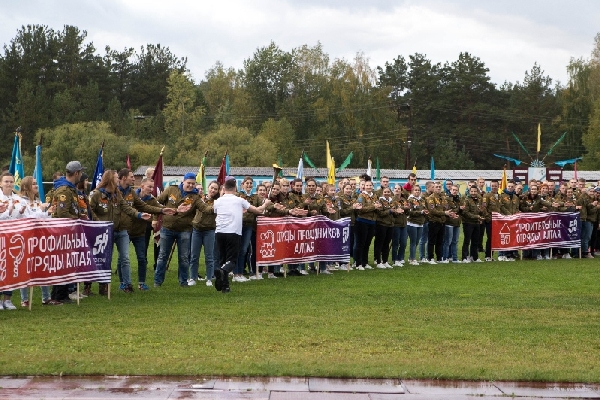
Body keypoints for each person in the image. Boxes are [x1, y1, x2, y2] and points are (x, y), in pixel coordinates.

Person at [89, 170, 158, 293]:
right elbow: (89, 210)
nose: (118, 180)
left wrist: (139, 215)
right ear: (110, 180)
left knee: (125, 258)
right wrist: (98, 222)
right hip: (104, 231)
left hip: (121, 231)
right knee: (105, 258)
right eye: (116, 178)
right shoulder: (96, 194)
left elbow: (126, 207)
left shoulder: (117, 194)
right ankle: (103, 285)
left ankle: (127, 285)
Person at [212, 177, 271, 293]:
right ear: (235, 188)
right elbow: (258, 210)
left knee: (223, 259)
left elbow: (215, 211)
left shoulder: (218, 201)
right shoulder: (239, 200)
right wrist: (265, 204)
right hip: (233, 232)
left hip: (219, 232)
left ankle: (225, 286)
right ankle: (223, 271)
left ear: (224, 188)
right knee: (232, 260)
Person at [115, 168, 171, 291]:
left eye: (152, 187)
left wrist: (163, 210)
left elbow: (145, 206)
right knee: (122, 258)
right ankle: (122, 283)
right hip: (124, 230)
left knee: (142, 258)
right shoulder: (115, 192)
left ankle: (141, 283)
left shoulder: (132, 193)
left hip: (139, 232)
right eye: (131, 176)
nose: (134, 178)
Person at [153, 173, 205, 288]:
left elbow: (204, 208)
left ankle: (183, 282)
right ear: (183, 182)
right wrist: (155, 218)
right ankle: (157, 281)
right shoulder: (171, 189)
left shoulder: (195, 197)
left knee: (184, 258)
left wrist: (217, 207)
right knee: (162, 256)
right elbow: (157, 203)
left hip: (185, 230)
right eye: (188, 183)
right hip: (167, 228)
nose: (191, 185)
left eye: (193, 184)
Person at [17, 176, 60, 306]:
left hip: (39, 238)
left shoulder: (37, 200)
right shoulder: (20, 201)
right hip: (26, 238)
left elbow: (40, 219)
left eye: (36, 183)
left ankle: (46, 298)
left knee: (42, 265)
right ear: (26, 186)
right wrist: (41, 210)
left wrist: (48, 213)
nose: (36, 186)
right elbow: (27, 220)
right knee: (25, 268)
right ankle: (24, 299)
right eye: (34, 184)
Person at [50, 161, 88, 303]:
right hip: (62, 231)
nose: (82, 175)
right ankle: (60, 295)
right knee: (63, 263)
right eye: (81, 172)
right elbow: (62, 213)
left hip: (68, 231)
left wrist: (79, 216)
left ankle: (59, 294)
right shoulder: (65, 190)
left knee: (65, 263)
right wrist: (78, 218)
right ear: (76, 173)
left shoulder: (70, 189)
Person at [0, 172, 27, 310]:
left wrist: (21, 212)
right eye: (6, 181)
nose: (9, 184)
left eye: (11, 181)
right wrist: (7, 212)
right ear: (1, 183)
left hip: (12, 237)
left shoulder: (18, 199)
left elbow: (22, 218)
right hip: (0, 236)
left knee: (11, 267)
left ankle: (7, 299)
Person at [190, 181, 220, 286]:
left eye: (215, 189)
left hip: (209, 230)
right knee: (194, 255)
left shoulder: (218, 202)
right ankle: (193, 278)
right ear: (208, 187)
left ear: (218, 191)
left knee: (209, 256)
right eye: (212, 188)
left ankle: (209, 278)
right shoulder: (199, 198)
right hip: (197, 230)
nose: (213, 190)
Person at [354, 179, 382, 270]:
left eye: (370, 185)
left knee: (367, 243)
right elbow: (361, 209)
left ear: (372, 186)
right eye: (367, 185)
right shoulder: (361, 195)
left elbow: (377, 207)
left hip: (372, 222)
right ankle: (358, 264)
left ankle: (365, 262)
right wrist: (374, 207)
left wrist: (379, 207)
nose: (369, 187)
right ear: (364, 187)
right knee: (360, 243)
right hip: (362, 221)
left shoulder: (374, 196)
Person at [461, 186, 485, 263]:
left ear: (477, 192)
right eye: (472, 191)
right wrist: (476, 216)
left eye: (475, 191)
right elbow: (465, 213)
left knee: (475, 241)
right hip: (468, 223)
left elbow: (479, 211)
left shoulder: (479, 200)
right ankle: (464, 257)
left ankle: (474, 257)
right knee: (467, 241)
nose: (473, 193)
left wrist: (481, 213)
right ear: (469, 192)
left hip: (476, 223)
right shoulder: (466, 200)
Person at [406, 185, 427, 266]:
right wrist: (420, 212)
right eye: (415, 190)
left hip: (420, 223)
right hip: (412, 223)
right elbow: (409, 212)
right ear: (412, 191)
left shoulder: (422, 200)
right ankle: (412, 259)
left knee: (417, 241)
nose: (417, 191)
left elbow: (424, 208)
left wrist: (425, 212)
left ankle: (411, 257)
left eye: (418, 190)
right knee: (413, 241)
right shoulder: (410, 200)